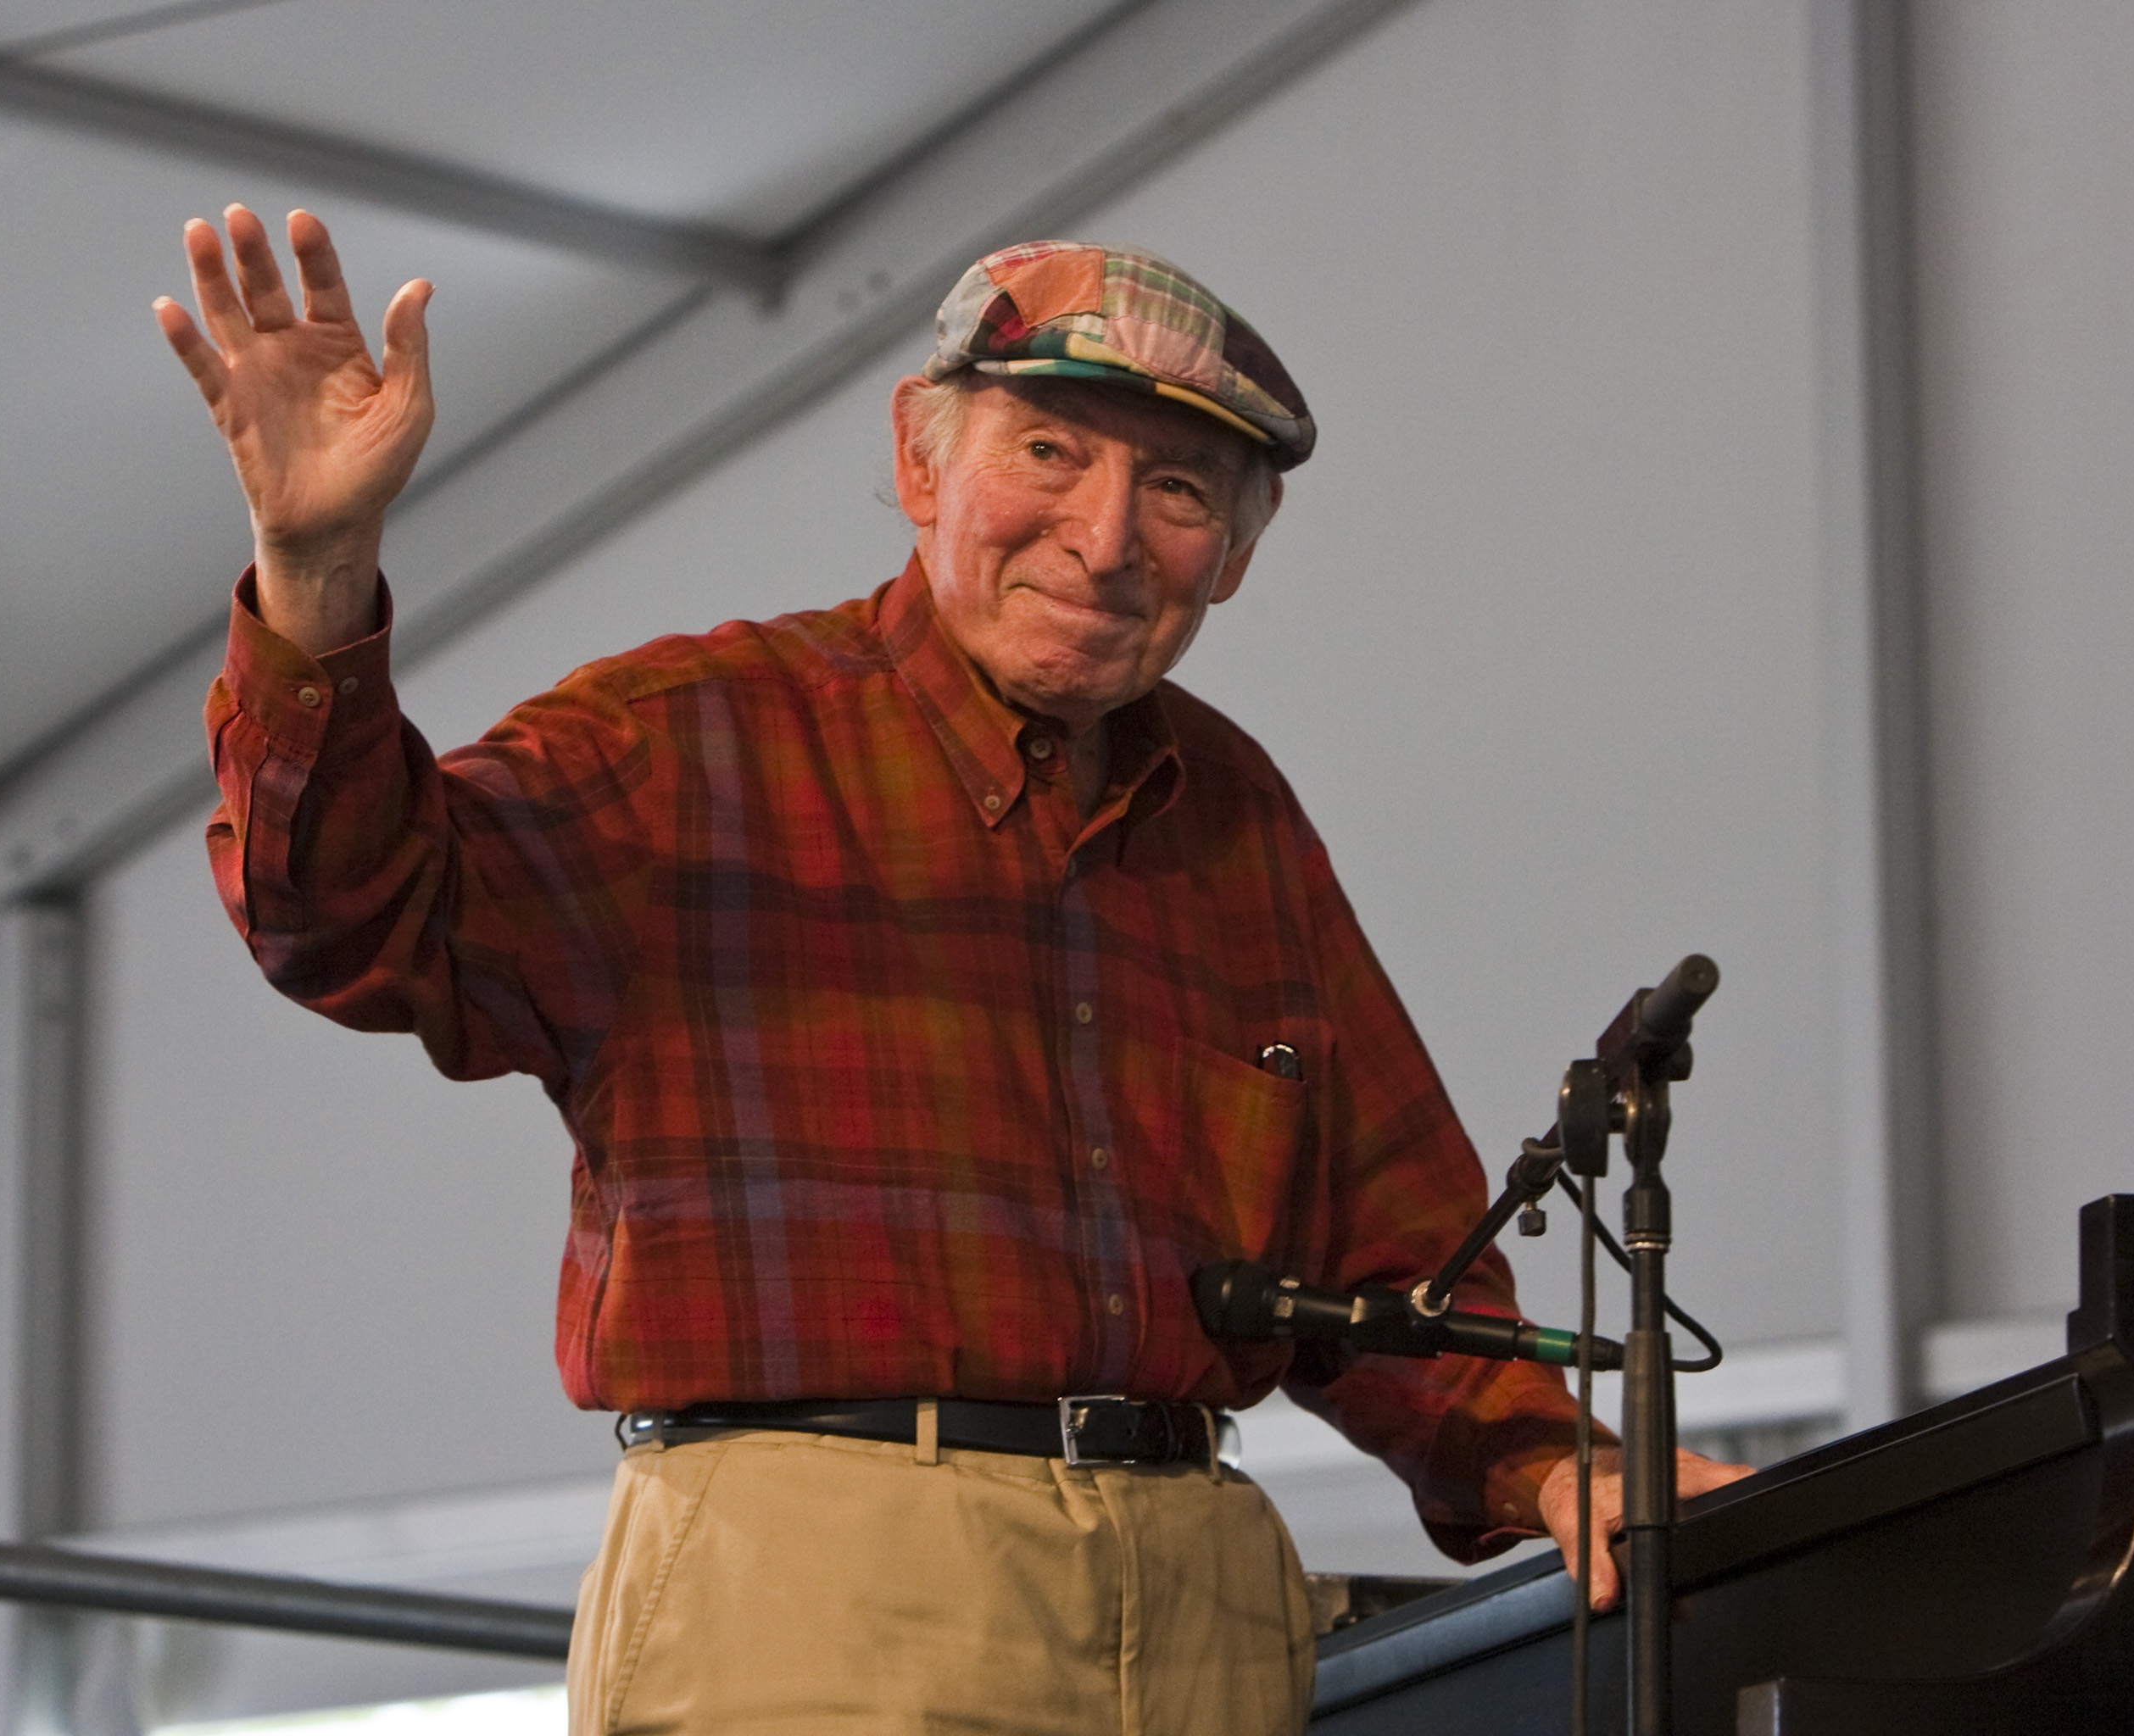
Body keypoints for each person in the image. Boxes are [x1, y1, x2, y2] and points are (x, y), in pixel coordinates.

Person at [158, 207, 1747, 1735]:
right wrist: (319, 574)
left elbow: (1388, 1246)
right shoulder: (695, 733)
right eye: (1048, 453)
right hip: (819, 1580)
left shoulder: (1239, 816)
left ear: (1242, 557)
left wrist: (1556, 1462)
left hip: (1203, 1604)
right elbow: (349, 917)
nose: (1109, 538)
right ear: (920, 457)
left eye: (1183, 491)